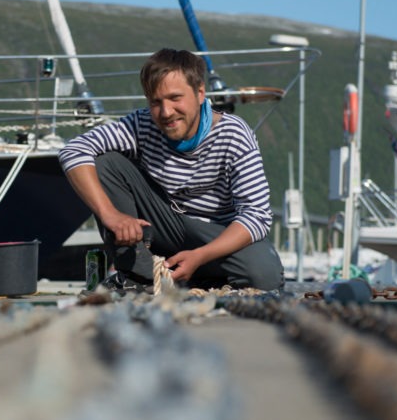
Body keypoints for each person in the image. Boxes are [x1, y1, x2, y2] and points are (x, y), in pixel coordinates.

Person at [57, 48, 284, 291]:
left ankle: (195, 276)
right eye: (156, 102)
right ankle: (139, 275)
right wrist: (110, 214)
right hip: (165, 226)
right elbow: (74, 150)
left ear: (199, 93)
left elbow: (256, 216)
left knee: (265, 277)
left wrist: (201, 255)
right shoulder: (141, 123)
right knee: (105, 162)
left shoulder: (234, 134)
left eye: (175, 98)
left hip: (217, 234)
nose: (166, 112)